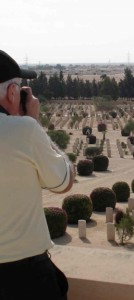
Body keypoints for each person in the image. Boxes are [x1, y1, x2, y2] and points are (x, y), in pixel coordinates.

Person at [0, 50, 75, 300]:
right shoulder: (24, 130)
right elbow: (62, 182)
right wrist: (32, 122)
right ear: (12, 93)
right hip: (22, 275)